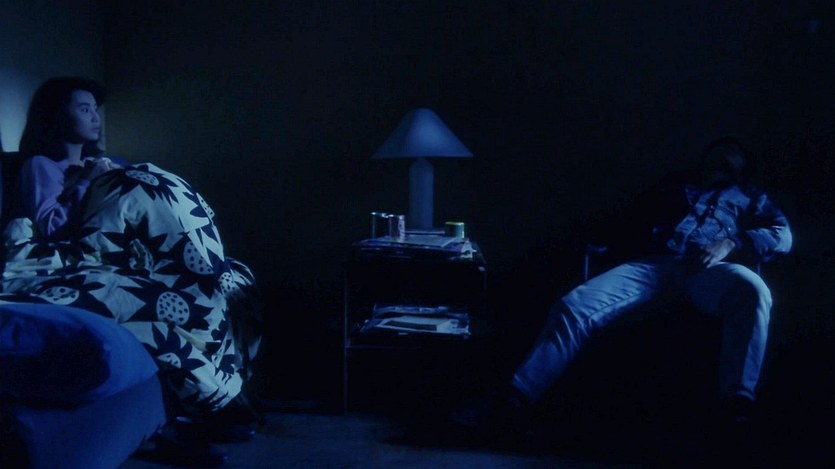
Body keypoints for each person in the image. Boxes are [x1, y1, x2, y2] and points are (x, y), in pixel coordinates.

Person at [456, 138, 793, 443]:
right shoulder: (673, 185)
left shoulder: (752, 197)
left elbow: (782, 235)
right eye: (718, 154)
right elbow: (628, 221)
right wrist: (604, 243)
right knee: (574, 304)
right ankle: (515, 399)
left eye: (732, 157)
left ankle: (736, 406)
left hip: (709, 268)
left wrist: (731, 242)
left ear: (742, 169)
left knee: (754, 289)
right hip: (651, 265)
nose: (723, 160)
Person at [8, 76, 264, 467]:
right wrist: (89, 183)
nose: (95, 118)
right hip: (86, 257)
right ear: (56, 116)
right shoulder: (42, 166)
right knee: (163, 305)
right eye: (84, 109)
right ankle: (209, 406)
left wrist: (117, 178)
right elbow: (50, 227)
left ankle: (219, 395)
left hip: (136, 255)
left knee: (233, 280)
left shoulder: (108, 164)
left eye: (96, 109)